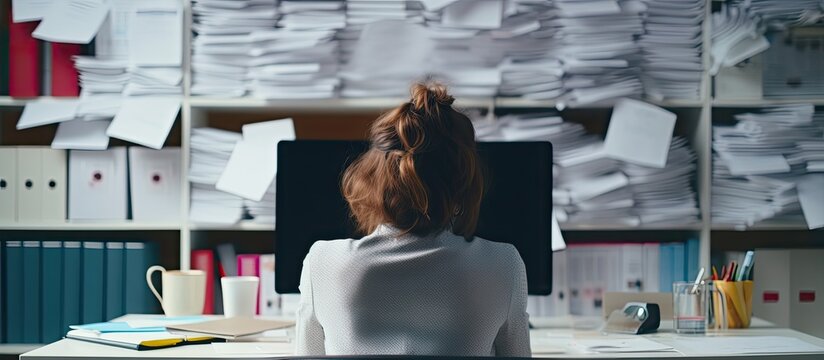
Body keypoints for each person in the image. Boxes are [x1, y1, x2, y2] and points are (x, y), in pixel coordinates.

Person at [294, 82, 531, 357]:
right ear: (464, 181)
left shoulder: (322, 262)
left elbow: (306, 355)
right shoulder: (503, 264)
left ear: (371, 176)